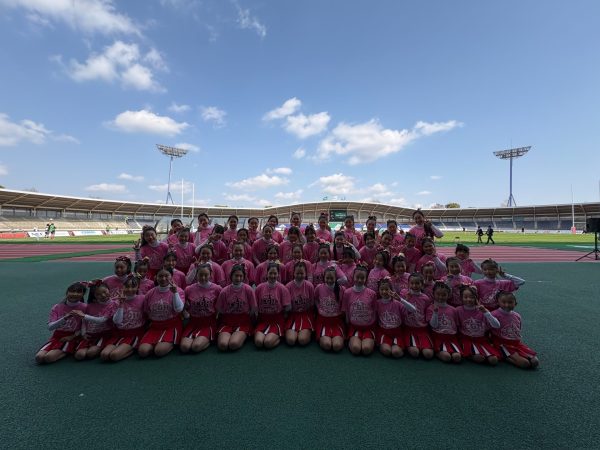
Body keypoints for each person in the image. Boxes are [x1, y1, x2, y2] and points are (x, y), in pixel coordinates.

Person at [35, 282, 88, 364]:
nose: (75, 294)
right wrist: (65, 318)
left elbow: (86, 327)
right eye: (72, 291)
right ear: (67, 292)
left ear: (83, 294)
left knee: (49, 358)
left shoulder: (85, 307)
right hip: (57, 336)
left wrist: (72, 336)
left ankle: (70, 350)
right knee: (39, 358)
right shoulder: (57, 307)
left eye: (78, 292)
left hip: (73, 337)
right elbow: (50, 327)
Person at [138, 269, 185, 358]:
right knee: (142, 352)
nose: (163, 278)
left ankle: (170, 341)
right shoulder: (150, 293)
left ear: (171, 277)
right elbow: (147, 311)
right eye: (160, 276)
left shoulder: (178, 291)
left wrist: (175, 293)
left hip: (171, 326)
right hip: (155, 327)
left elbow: (179, 309)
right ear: (156, 277)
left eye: (166, 276)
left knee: (159, 351)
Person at [101, 275, 146, 362]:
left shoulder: (143, 298)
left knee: (114, 356)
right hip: (119, 333)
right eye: (127, 286)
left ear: (138, 287)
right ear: (122, 286)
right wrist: (121, 304)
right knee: (104, 355)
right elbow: (117, 321)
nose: (130, 289)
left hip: (135, 333)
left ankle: (134, 347)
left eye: (133, 287)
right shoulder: (115, 301)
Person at [490, 291, 539, 369]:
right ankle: (504, 356)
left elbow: (518, 330)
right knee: (525, 364)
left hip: (516, 344)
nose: (507, 305)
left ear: (515, 303)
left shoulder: (517, 315)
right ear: (498, 303)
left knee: (535, 362)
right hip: (502, 344)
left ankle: (510, 355)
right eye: (504, 302)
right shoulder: (494, 314)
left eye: (510, 302)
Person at [181, 264, 222, 353]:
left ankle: (210, 338)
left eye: (206, 275)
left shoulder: (217, 289)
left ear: (211, 274)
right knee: (184, 347)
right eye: (200, 275)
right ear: (197, 275)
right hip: (193, 322)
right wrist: (186, 313)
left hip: (209, 323)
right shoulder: (189, 289)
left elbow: (221, 305)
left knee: (196, 347)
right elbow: (183, 304)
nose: (203, 278)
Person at [215, 264, 257, 351]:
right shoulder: (224, 291)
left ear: (244, 277)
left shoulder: (248, 289)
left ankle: (243, 335)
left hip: (243, 322)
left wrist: (247, 316)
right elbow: (219, 308)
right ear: (231, 276)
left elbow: (253, 307)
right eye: (236, 275)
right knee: (223, 345)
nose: (238, 278)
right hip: (227, 321)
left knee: (233, 344)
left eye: (241, 276)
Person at [456, 285, 500, 365]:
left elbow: (496, 325)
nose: (469, 299)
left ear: (476, 298)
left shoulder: (482, 310)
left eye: (472, 297)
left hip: (481, 340)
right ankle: (467, 354)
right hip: (466, 339)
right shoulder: (458, 310)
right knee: (479, 358)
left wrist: (486, 313)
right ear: (461, 298)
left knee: (494, 360)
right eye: (465, 297)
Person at [74, 281, 116, 361]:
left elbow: (102, 320)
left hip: (103, 334)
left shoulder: (113, 304)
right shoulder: (90, 306)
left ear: (109, 289)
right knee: (79, 355)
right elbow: (84, 321)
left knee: (91, 353)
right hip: (90, 334)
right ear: (94, 295)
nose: (103, 295)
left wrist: (84, 316)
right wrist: (83, 333)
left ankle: (103, 346)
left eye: (104, 292)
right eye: (98, 294)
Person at [375, 277, 416, 358]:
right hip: (384, 332)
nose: (384, 292)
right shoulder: (377, 303)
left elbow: (413, 310)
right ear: (378, 290)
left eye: (387, 289)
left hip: (397, 332)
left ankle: (400, 347)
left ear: (391, 290)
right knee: (386, 351)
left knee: (396, 353)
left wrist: (401, 299)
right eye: (382, 289)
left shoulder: (397, 303)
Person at [342, 265, 377, 356]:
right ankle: (352, 339)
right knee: (356, 349)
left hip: (368, 327)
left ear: (366, 279)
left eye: (362, 278)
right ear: (353, 277)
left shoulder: (372, 293)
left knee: (366, 349)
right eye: (357, 277)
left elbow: (375, 310)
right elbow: (346, 310)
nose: (359, 280)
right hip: (354, 327)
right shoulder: (347, 292)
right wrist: (347, 326)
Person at [255, 263, 291, 349]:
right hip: (263, 320)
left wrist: (282, 318)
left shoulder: (282, 288)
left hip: (277, 321)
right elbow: (255, 305)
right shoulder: (259, 288)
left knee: (267, 343)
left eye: (275, 273)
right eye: (270, 273)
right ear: (266, 274)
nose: (272, 276)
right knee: (258, 342)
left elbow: (287, 308)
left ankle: (280, 336)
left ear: (278, 274)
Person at [426, 282, 462, 363]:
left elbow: (456, 326)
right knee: (447, 357)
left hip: (451, 338)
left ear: (448, 295)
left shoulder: (453, 310)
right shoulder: (430, 308)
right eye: (438, 294)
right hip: (438, 337)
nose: (440, 297)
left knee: (457, 358)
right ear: (433, 294)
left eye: (444, 295)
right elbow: (433, 326)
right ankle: (437, 351)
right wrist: (435, 312)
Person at [400, 273, 434, 359]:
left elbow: (427, 312)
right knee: (415, 353)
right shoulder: (404, 293)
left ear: (422, 284)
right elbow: (401, 308)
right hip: (408, 328)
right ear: (408, 284)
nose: (414, 286)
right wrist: (406, 299)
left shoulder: (425, 298)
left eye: (417, 283)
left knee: (428, 354)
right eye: (412, 283)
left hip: (421, 329)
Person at [314, 267, 346, 352]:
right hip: (323, 321)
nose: (329, 280)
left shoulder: (342, 289)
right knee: (327, 345)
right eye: (327, 278)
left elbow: (344, 304)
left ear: (336, 278)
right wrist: (319, 308)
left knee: (337, 346)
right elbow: (315, 299)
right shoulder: (319, 287)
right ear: (324, 278)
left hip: (337, 322)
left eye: (332, 278)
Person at [285, 261, 315, 346]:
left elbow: (312, 304)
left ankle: (308, 331)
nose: (299, 275)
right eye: (297, 273)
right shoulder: (288, 286)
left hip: (306, 315)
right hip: (293, 315)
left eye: (302, 273)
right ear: (293, 273)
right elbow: (287, 307)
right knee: (291, 341)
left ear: (305, 273)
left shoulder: (309, 286)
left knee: (302, 340)